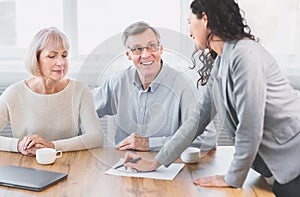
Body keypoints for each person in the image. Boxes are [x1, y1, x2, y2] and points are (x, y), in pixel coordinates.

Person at [123, 1, 300, 197]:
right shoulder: (223, 62)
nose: (189, 31)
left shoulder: (245, 55)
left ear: (205, 19)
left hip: (294, 158)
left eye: (190, 21)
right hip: (279, 167)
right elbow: (197, 119)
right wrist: (156, 162)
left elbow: (250, 126)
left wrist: (231, 178)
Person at [93, 21, 216, 151]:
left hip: (168, 166)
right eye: (137, 49)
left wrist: (150, 144)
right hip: (123, 164)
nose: (146, 55)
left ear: (160, 50)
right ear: (128, 55)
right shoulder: (117, 82)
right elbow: (80, 110)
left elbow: (207, 138)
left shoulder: (183, 85)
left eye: (151, 46)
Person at [0, 27, 103, 156]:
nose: (61, 63)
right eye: (52, 56)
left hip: (69, 163)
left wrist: (52, 146)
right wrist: (18, 144)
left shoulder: (80, 91)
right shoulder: (14, 93)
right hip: (26, 166)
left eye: (64, 55)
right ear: (36, 59)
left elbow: (96, 137)